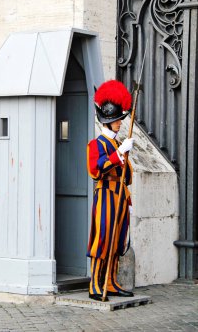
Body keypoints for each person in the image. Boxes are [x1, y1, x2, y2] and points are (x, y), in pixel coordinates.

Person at [87, 79, 134, 302]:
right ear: (106, 122)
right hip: (105, 194)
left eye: (119, 119)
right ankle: (95, 284)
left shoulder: (117, 144)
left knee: (118, 241)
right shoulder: (96, 144)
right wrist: (118, 155)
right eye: (115, 120)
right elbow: (97, 169)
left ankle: (110, 282)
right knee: (103, 239)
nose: (119, 123)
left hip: (120, 196)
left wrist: (124, 154)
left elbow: (128, 178)